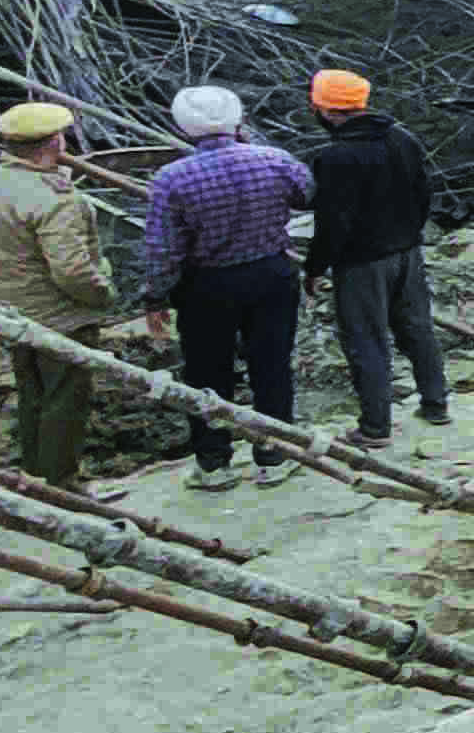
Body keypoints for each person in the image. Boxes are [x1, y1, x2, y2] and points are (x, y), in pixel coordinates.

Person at [139, 84, 308, 491]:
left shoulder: (172, 178)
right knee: (271, 365)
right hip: (271, 275)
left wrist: (154, 295)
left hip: (206, 286)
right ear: (237, 120)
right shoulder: (276, 160)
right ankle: (273, 454)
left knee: (206, 373)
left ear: (184, 127)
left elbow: (163, 248)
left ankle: (214, 462)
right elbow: (306, 196)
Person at [0, 101, 117, 486]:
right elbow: (72, 271)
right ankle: (62, 484)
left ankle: (34, 473)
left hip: (7, 311)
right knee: (65, 399)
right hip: (60, 317)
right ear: (55, 143)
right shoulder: (55, 199)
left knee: (33, 393)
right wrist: (103, 295)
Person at [296, 69, 448, 449]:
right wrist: (410, 235)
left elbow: (332, 224)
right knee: (418, 329)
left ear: (328, 111)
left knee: (366, 341)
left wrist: (314, 268)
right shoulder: (403, 138)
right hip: (407, 253)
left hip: (362, 264)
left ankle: (375, 428)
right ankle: (435, 403)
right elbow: (424, 194)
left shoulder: (335, 158)